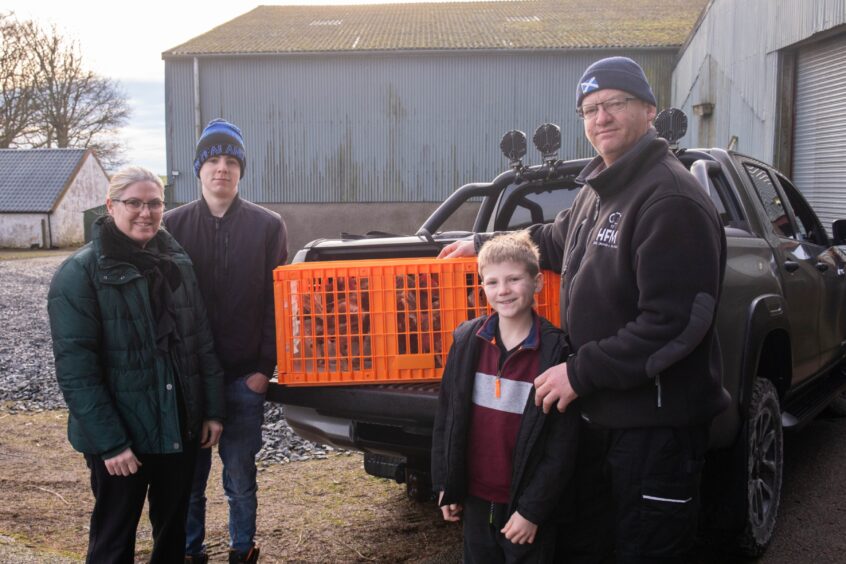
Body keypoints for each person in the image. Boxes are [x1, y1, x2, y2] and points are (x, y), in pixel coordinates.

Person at [439, 56, 730, 563]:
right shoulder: (602, 190)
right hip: (604, 417)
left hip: (654, 426)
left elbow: (677, 322)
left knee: (646, 550)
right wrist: (484, 243)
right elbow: (552, 239)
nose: (602, 118)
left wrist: (580, 371)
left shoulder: (669, 198)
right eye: (590, 109)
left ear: (649, 110)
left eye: (615, 104)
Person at [47, 166, 225, 563]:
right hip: (121, 438)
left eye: (155, 203)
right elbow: (77, 372)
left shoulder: (177, 263)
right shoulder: (80, 273)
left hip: (179, 427)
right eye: (134, 203)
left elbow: (200, 341)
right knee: (114, 538)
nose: (145, 212)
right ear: (111, 207)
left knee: (172, 535)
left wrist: (211, 410)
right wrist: (111, 443)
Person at [164, 118, 288, 564]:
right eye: (213, 160)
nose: (222, 168)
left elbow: (279, 301)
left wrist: (264, 368)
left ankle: (241, 550)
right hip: (190, 379)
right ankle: (191, 550)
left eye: (231, 161)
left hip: (242, 376)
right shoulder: (170, 226)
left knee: (239, 474)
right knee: (189, 477)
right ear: (198, 169)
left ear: (241, 170)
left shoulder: (267, 226)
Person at [431, 231, 579, 564]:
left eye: (514, 279)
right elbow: (447, 418)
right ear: (482, 286)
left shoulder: (555, 352)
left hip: (525, 508)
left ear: (537, 282)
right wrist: (447, 484)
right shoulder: (468, 340)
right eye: (493, 282)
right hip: (475, 498)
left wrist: (533, 511)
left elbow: (562, 445)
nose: (504, 291)